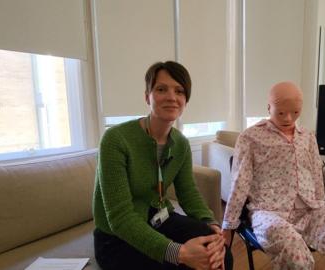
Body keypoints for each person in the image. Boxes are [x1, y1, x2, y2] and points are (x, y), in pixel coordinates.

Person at [222, 81, 325, 270]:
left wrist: (323, 207)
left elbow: (316, 174)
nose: (288, 118)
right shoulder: (250, 137)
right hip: (269, 211)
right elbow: (240, 183)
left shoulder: (307, 137)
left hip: (309, 208)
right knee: (289, 244)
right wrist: (228, 226)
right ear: (268, 107)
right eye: (281, 112)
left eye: (295, 112)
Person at [93, 61, 232, 270]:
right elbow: (120, 218)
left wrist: (210, 224)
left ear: (186, 100)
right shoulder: (116, 139)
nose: (171, 97)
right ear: (147, 96)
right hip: (115, 239)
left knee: (221, 254)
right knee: (183, 265)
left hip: (159, 218)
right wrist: (180, 253)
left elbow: (188, 193)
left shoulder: (180, 144)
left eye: (179, 91)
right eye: (161, 89)